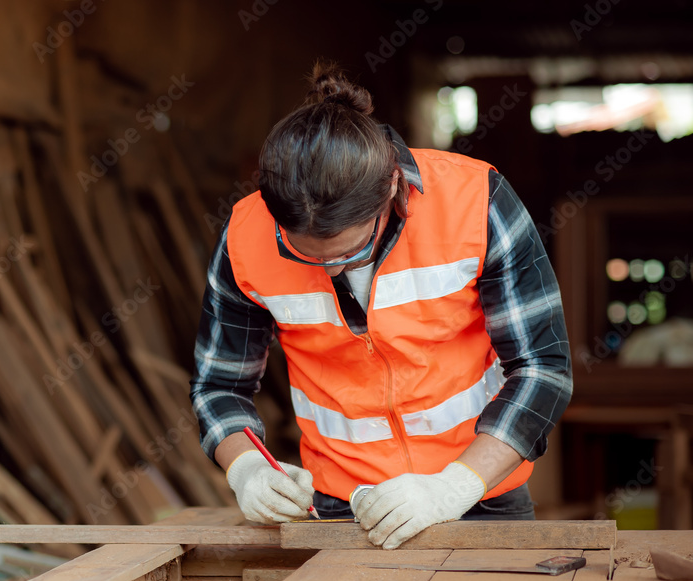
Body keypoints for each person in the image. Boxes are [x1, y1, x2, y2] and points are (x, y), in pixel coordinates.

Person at [190, 62, 572, 550]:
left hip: (480, 493)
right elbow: (218, 385)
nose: (330, 270)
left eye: (349, 254)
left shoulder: (475, 201)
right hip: (338, 506)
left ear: (392, 188)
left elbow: (543, 368)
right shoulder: (246, 235)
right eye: (302, 253)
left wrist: (452, 488)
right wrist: (245, 467)